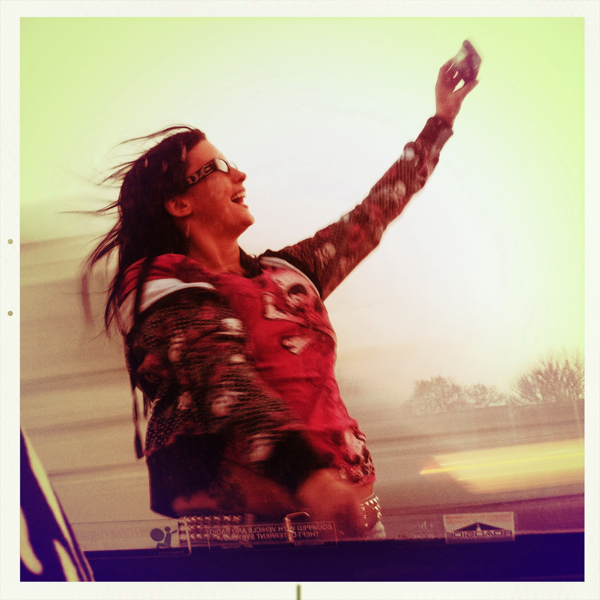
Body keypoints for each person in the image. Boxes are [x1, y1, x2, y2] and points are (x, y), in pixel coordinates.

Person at [82, 58, 478, 539]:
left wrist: (440, 122)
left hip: (353, 527)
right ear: (179, 203)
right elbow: (223, 382)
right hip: (247, 549)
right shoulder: (158, 285)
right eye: (219, 167)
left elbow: (372, 214)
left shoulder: (288, 274)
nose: (240, 174)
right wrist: (311, 480)